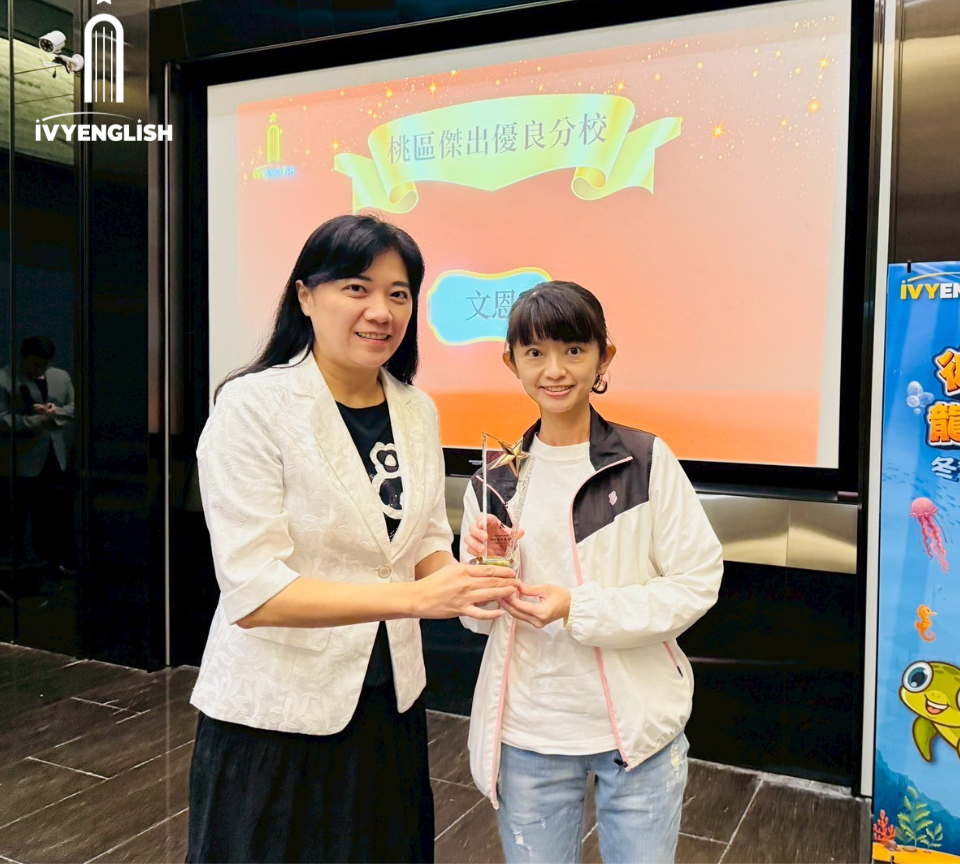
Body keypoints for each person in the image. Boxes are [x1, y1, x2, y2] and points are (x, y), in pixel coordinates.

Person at [186, 214, 519, 864]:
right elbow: (256, 593)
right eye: (357, 289)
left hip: (390, 704)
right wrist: (418, 599)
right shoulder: (252, 407)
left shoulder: (416, 409)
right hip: (276, 716)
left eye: (399, 294)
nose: (381, 312)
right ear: (306, 297)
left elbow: (422, 546)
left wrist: (470, 572)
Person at [459, 281, 724, 864]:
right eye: (535, 353)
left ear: (605, 357)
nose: (554, 370)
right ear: (511, 363)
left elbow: (696, 581)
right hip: (528, 734)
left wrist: (577, 608)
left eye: (574, 350)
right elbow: (476, 621)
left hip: (638, 735)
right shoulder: (494, 479)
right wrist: (478, 574)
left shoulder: (644, 460)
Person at [0, 335, 76, 569]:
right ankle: (13, 563)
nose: (39, 370)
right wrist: (36, 420)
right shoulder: (3, 378)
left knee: (53, 512)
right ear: (22, 358)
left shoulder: (61, 377)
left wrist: (55, 412)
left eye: (44, 365)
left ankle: (50, 561)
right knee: (16, 516)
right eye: (34, 364)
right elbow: (2, 420)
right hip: (20, 460)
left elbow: (75, 408)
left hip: (55, 456)